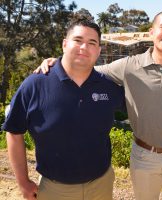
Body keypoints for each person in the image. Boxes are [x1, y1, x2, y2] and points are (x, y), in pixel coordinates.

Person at [36, 10, 162, 200]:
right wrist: (58, 62)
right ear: (151, 32)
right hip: (144, 155)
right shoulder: (129, 66)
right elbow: (87, 69)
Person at [2, 19, 125, 200]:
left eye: (92, 43)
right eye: (78, 40)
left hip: (102, 185)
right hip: (54, 189)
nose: (84, 47)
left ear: (98, 51)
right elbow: (13, 131)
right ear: (64, 44)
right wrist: (23, 182)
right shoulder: (35, 84)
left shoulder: (109, 86)